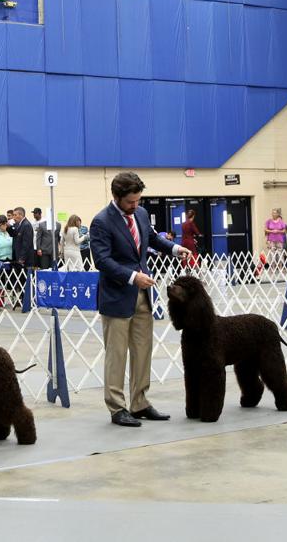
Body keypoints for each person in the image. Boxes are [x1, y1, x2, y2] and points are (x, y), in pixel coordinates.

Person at [91, 172, 190, 427]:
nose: (135, 206)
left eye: (138, 201)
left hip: (143, 296)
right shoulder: (101, 221)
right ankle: (117, 407)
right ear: (116, 197)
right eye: (130, 202)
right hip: (117, 296)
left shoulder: (142, 214)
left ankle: (140, 403)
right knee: (116, 355)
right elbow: (101, 260)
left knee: (143, 352)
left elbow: (153, 239)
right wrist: (133, 277)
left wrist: (175, 248)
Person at [9, 207, 34, 304]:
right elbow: (14, 234)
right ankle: (24, 299)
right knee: (21, 279)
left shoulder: (26, 225)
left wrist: (22, 258)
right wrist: (7, 227)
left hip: (25, 259)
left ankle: (27, 300)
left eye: (15, 215)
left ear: (20, 215)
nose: (14, 217)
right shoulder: (18, 224)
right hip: (18, 257)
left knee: (25, 280)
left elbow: (26, 243)